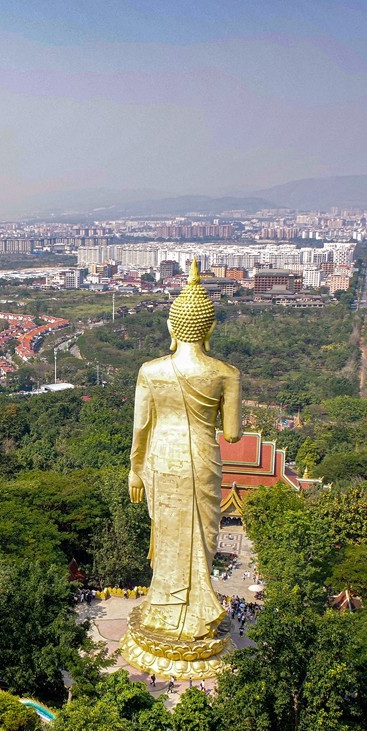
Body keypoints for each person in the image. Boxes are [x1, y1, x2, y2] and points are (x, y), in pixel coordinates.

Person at [128, 259, 241, 642]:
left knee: (168, 534)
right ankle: (194, 611)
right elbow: (232, 434)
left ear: (170, 327)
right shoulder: (225, 373)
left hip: (161, 459)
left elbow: (140, 427)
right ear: (210, 328)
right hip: (201, 455)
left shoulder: (150, 370)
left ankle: (166, 610)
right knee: (200, 538)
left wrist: (134, 469)